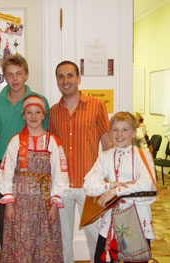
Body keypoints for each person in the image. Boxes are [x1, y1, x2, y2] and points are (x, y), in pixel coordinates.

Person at [48, 60, 113, 263]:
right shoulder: (53, 112)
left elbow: (107, 141)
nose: (65, 80)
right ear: (57, 80)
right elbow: (51, 148)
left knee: (96, 238)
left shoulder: (97, 105)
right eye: (61, 76)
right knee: (63, 240)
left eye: (69, 75)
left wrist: (109, 180)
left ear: (78, 78)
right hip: (63, 186)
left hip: (90, 186)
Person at [0, 95, 69, 262]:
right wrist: (9, 203)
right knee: (21, 238)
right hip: (20, 202)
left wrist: (54, 203)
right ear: (24, 115)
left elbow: (60, 174)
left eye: (37, 112)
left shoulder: (52, 141)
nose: (33, 116)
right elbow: (6, 172)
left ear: (44, 115)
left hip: (43, 202)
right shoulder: (15, 141)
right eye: (29, 112)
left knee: (44, 240)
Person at [0, 54, 50, 248]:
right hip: (3, 164)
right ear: (4, 77)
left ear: (26, 75)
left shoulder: (39, 100)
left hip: (31, 166)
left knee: (32, 217)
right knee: (6, 218)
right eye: (10, 74)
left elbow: (45, 135)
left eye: (18, 74)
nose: (14, 79)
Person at [83, 112, 157, 263]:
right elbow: (88, 185)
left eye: (125, 129)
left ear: (134, 132)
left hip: (137, 219)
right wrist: (111, 185)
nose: (119, 134)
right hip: (109, 221)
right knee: (101, 259)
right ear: (110, 132)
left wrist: (116, 192)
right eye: (115, 130)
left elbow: (148, 186)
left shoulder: (143, 155)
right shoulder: (105, 156)